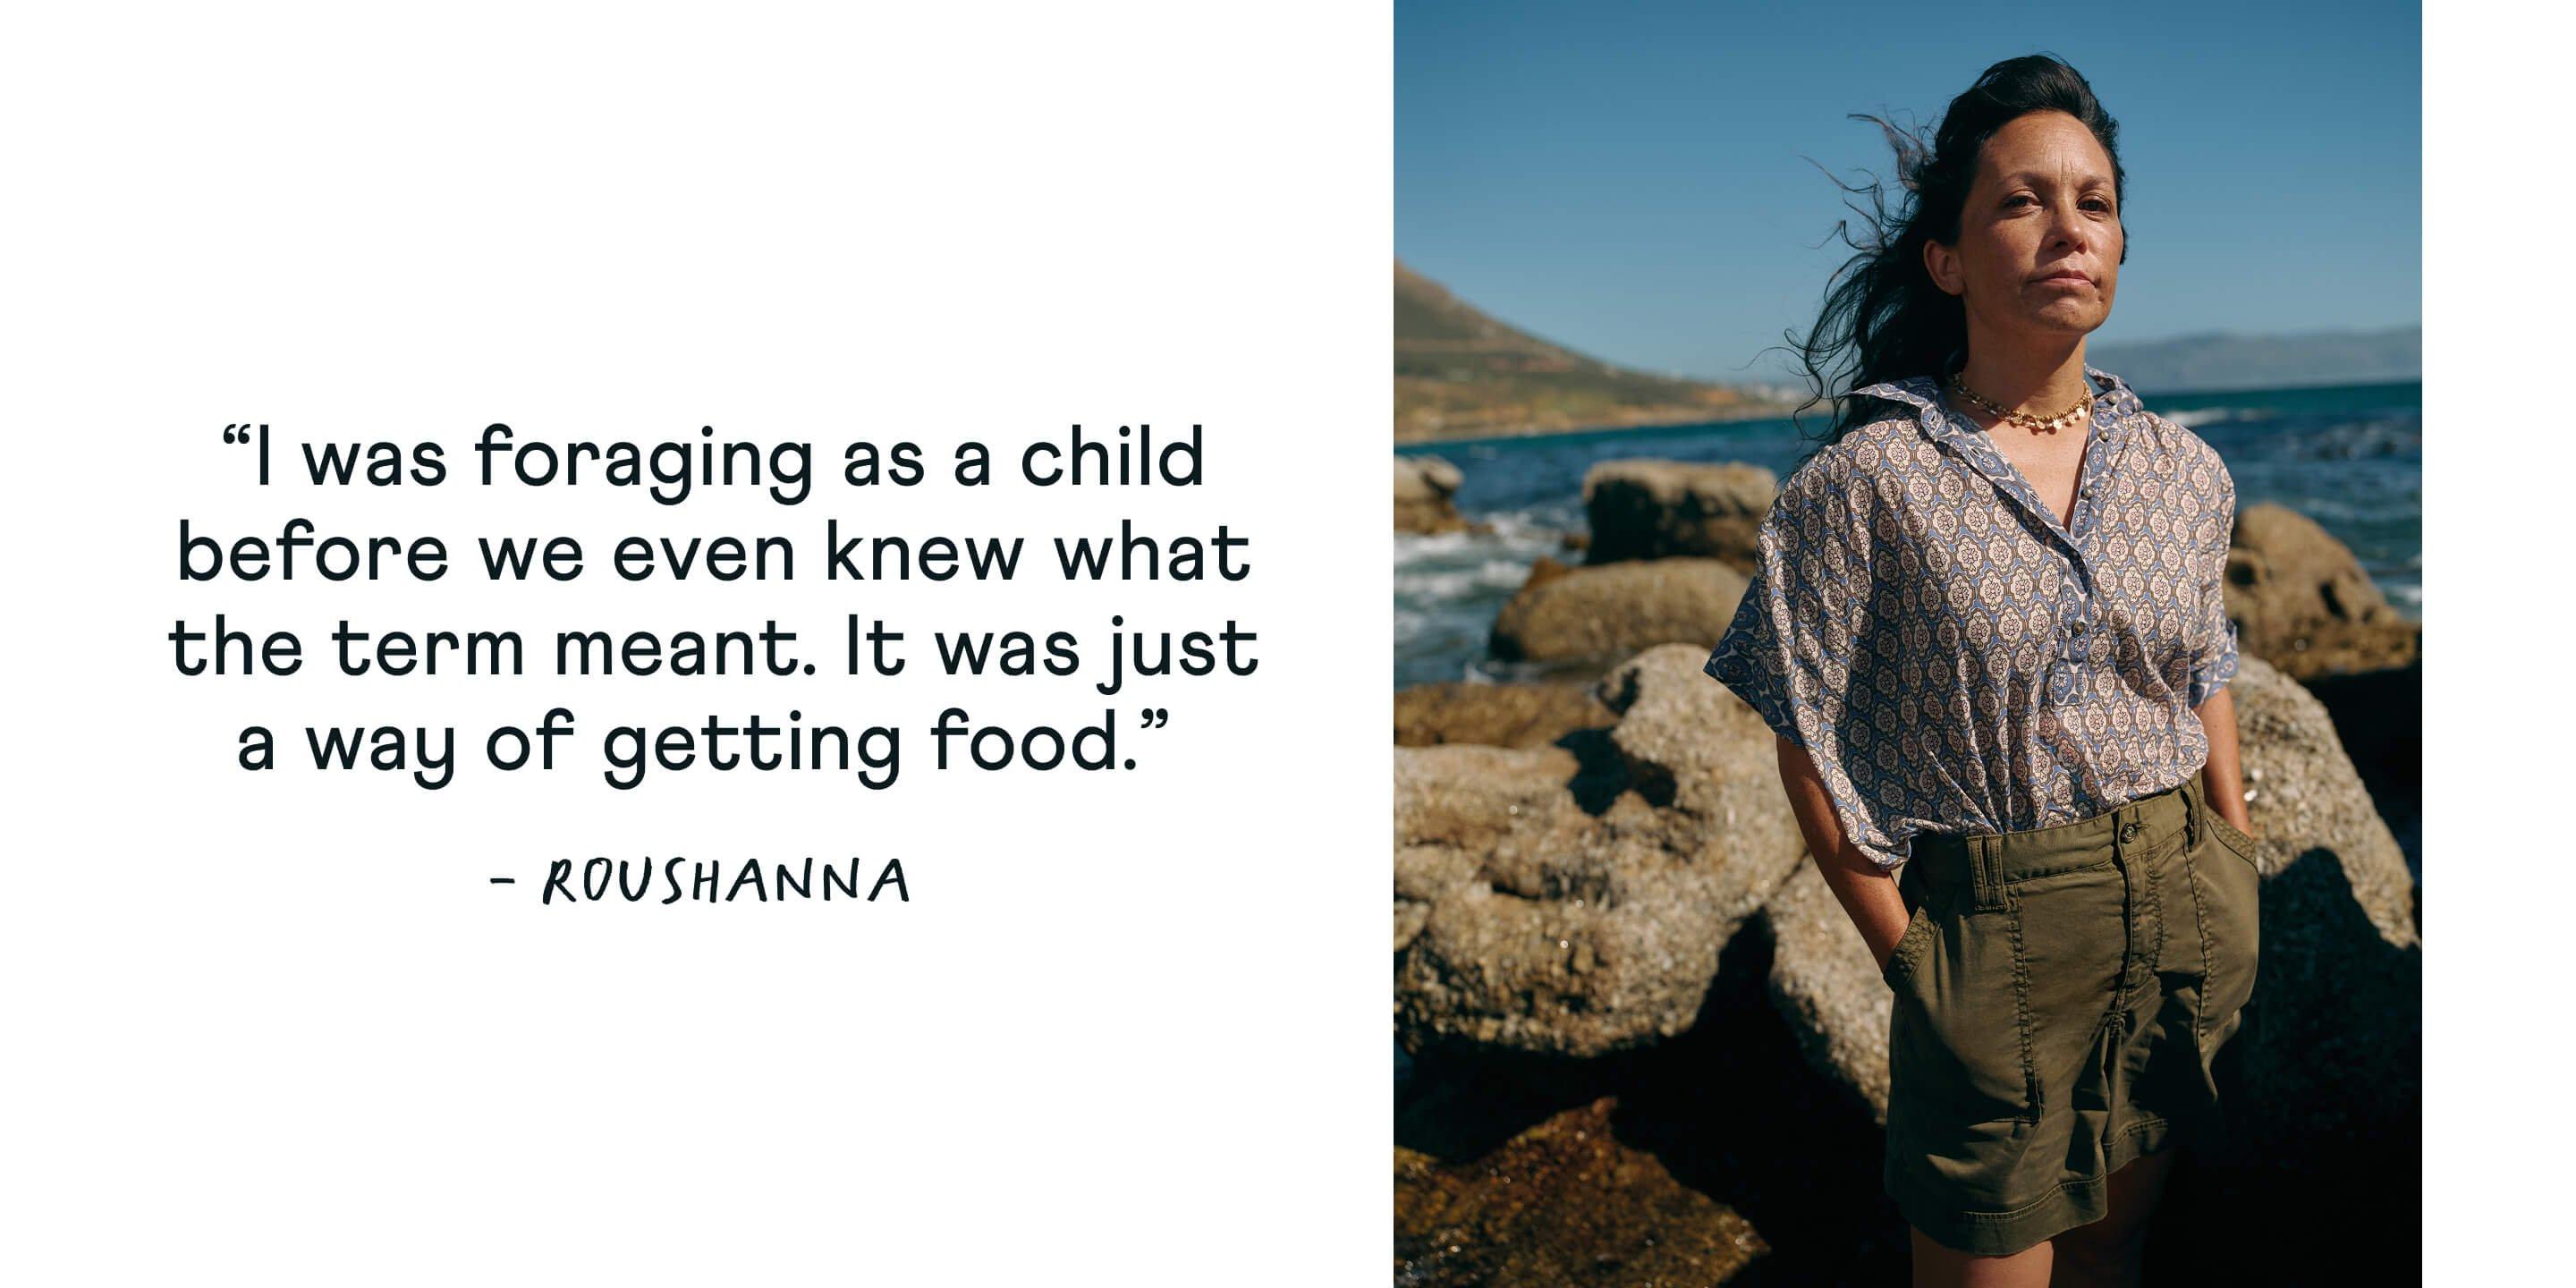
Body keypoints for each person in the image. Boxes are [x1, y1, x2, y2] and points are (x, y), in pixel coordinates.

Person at [1702, 54, 2264, 1288]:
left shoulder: (2186, 470)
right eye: (2022, 201)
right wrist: (1910, 962)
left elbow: (2202, 663)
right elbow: (1806, 726)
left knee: (2115, 1251)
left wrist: (2232, 851)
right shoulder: (1866, 484)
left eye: (2095, 201)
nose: (2069, 228)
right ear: (1946, 260)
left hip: (2179, 906)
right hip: (1992, 930)